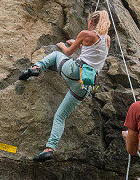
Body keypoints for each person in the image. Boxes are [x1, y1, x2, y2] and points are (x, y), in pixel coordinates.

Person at [18, 10, 111, 161]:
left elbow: (67, 53)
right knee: (60, 116)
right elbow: (96, 54)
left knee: (56, 55)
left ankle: (36, 68)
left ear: (90, 22)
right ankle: (49, 149)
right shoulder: (106, 39)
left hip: (74, 72)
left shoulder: (85, 34)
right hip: (85, 85)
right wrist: (79, 43)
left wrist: (63, 45)